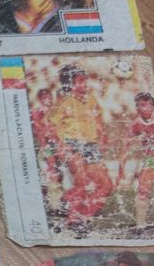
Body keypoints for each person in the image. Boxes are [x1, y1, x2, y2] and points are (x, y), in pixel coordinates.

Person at [45, 64, 113, 229]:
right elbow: (49, 124)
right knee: (81, 183)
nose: (85, 84)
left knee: (106, 185)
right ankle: (74, 219)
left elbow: (98, 121)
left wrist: (102, 137)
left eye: (85, 80)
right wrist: (61, 147)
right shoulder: (63, 103)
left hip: (90, 146)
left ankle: (80, 211)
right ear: (70, 84)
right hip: (71, 144)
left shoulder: (91, 100)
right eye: (81, 81)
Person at [122, 92, 154, 229]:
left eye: (148, 105)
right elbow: (126, 142)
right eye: (141, 105)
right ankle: (141, 226)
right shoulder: (137, 123)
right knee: (143, 191)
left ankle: (144, 225)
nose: (145, 108)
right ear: (137, 108)